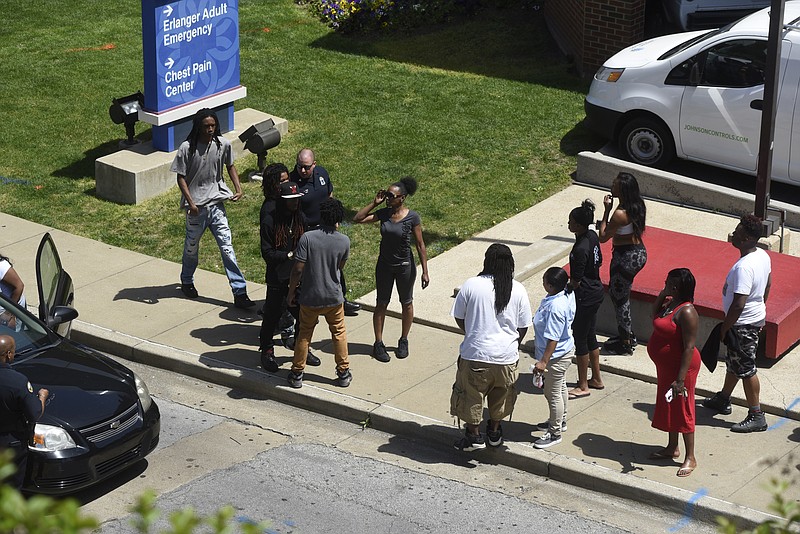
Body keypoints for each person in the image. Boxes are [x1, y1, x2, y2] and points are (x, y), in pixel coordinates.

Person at [450, 244, 532, 451]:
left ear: (487, 261)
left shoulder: (471, 285)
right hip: (506, 358)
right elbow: (523, 326)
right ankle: (494, 432)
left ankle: (474, 435)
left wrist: (472, 333)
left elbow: (459, 317)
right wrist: (511, 344)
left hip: (476, 355)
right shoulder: (519, 289)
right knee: (501, 399)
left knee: (471, 396)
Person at [171, 108, 255, 309]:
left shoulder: (222, 144)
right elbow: (180, 177)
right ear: (199, 126)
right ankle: (187, 280)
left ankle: (240, 292)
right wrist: (191, 203)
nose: (210, 129)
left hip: (217, 205)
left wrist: (238, 188)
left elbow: (230, 166)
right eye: (206, 126)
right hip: (196, 210)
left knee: (227, 249)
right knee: (191, 248)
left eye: (213, 126)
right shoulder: (186, 148)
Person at [703, 215, 772, 433]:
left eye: (738, 232)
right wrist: (760, 307)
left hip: (742, 324)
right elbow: (768, 285)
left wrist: (725, 327)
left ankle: (756, 415)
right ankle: (723, 398)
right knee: (734, 362)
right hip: (749, 320)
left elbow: (739, 304)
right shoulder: (762, 255)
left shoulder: (744, 267)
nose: (734, 233)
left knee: (747, 369)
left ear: (748, 238)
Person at [353, 176, 430, 362]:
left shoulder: (413, 217)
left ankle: (404, 340)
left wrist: (425, 271)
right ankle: (378, 343)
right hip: (384, 266)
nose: (388, 198)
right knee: (381, 303)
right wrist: (374, 203)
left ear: (402, 198)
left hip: (405, 266)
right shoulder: (384, 213)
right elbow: (358, 219)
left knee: (407, 302)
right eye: (387, 195)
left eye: (391, 195)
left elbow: (420, 245)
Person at [286, 198, 352, 389]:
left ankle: (297, 373)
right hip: (333, 297)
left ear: (321, 216)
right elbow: (340, 267)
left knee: (304, 335)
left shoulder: (308, 238)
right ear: (338, 219)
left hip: (310, 297)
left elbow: (298, 269)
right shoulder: (344, 241)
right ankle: (343, 372)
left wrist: (291, 292)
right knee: (339, 333)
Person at [259, 180, 322, 372]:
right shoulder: (271, 220)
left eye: (296, 199)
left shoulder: (299, 217)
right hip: (278, 277)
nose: (294, 202)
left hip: (298, 276)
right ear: (282, 200)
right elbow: (267, 253)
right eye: (290, 199)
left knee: (304, 317)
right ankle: (267, 351)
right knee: (272, 316)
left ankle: (301, 348)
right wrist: (288, 255)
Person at [290, 148, 360, 317]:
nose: (303, 170)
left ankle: (341, 298)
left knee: (333, 265)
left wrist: (333, 218)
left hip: (326, 228)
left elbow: (329, 194)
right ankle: (299, 301)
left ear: (314, 164)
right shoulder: (293, 181)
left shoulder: (322, 174)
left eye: (307, 167)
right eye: (300, 166)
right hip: (306, 232)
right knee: (305, 268)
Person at [647, 268, 701, 477]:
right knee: (670, 405)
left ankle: (691, 457)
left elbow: (688, 347)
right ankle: (672, 447)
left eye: (669, 282)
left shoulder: (687, 312)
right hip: (666, 367)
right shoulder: (671, 303)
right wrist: (663, 292)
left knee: (683, 409)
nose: (666, 283)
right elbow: (653, 314)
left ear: (678, 287)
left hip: (682, 370)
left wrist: (680, 380)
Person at [597, 172, 647, 355]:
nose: (611, 186)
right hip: (638, 252)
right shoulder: (637, 205)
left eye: (614, 184)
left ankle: (625, 341)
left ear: (623, 190)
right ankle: (626, 334)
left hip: (625, 258)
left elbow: (602, 237)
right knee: (620, 295)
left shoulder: (619, 213)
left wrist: (606, 211)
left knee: (619, 298)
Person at [532, 267, 576, 449]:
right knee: (561, 386)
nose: (542, 282)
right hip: (564, 352)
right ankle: (560, 420)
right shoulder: (565, 294)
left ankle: (555, 432)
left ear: (550, 285)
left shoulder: (555, 308)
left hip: (556, 357)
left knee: (552, 394)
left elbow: (553, 338)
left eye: (544, 280)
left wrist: (543, 362)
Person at [565, 200, 604, 400]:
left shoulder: (580, 249)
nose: (568, 224)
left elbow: (576, 281)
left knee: (580, 337)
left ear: (579, 225)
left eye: (571, 221)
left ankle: (582, 385)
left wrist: (563, 290)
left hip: (586, 296)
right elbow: (600, 260)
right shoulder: (592, 236)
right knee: (590, 335)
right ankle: (596, 378)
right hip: (596, 291)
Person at [0, 335, 49, 489]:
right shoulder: (18, 382)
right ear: (8, 354)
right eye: (14, 351)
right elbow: (35, 413)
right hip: (10, 443)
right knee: (11, 488)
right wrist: (42, 396)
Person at [0, 254, 26, 331]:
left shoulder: (1, 265)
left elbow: (19, 286)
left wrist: (9, 314)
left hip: (8, 313)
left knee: (13, 339)